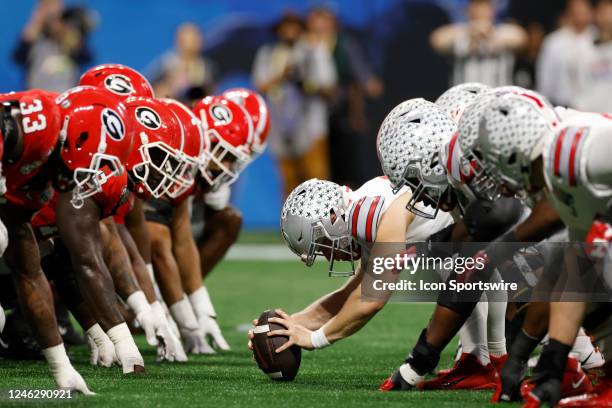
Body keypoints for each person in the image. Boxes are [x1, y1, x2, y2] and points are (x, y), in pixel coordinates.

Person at [252, 13, 335, 197]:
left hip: (311, 125)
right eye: (285, 27)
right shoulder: (268, 54)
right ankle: (291, 224)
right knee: (288, 180)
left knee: (317, 178)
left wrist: (306, 82)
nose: (289, 32)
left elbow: (329, 86)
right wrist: (282, 75)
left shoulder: (313, 51)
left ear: (301, 29)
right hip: (281, 126)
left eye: (293, 27)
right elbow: (259, 86)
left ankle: (324, 221)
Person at [430, 0, 527, 87]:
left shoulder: (502, 32)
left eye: (484, 7)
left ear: (492, 10)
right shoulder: (460, 33)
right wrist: (471, 30)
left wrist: (489, 33)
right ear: (468, 10)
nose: (480, 11)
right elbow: (436, 40)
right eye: (476, 7)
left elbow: (521, 38)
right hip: (465, 98)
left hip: (498, 96)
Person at [12, 0, 94, 92]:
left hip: (66, 96)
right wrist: (34, 27)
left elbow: (87, 58)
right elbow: (17, 58)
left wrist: (67, 36)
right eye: (46, 6)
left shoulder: (70, 32)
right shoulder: (34, 35)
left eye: (54, 5)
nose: (51, 11)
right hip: (36, 96)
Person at [536, 0, 595, 107]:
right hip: (561, 105)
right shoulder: (554, 41)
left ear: (590, 13)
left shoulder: (598, 40)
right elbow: (545, 80)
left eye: (582, 11)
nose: (579, 16)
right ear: (568, 13)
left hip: (593, 106)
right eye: (575, 12)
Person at [148, 22, 217, 102]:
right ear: (179, 40)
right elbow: (150, 89)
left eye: (196, 36)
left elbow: (211, 93)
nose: (193, 41)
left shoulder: (207, 67)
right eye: (189, 37)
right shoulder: (166, 63)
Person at [575, 0, 612, 112]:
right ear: (596, 15)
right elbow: (578, 82)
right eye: (603, 12)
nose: (607, 17)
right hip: (588, 112)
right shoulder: (582, 45)